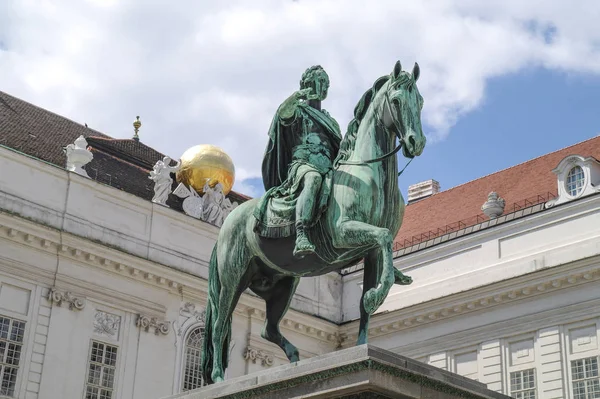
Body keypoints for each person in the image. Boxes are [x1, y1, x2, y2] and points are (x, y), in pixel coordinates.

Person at [255, 65, 342, 258]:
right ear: (306, 84)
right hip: (303, 165)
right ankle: (302, 233)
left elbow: (339, 147)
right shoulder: (298, 111)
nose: (320, 87)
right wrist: (296, 96)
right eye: (315, 82)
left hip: (328, 167)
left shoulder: (331, 121)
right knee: (313, 180)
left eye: (324, 83)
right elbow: (283, 114)